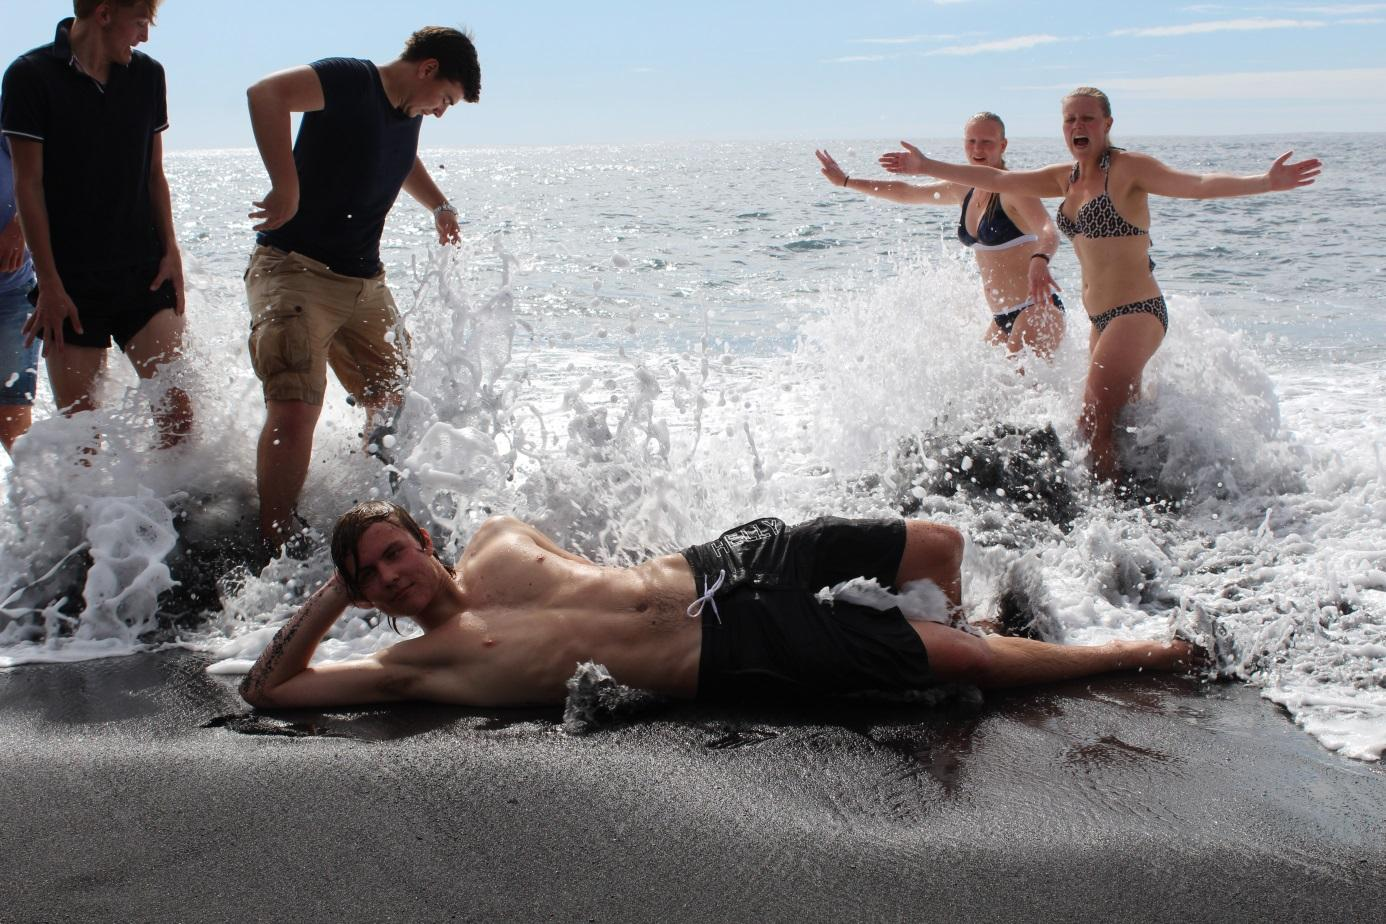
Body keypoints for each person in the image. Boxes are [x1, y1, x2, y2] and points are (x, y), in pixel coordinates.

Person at [239, 501, 1199, 710]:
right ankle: (1145, 654)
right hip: (738, 649)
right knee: (965, 667)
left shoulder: (497, 538)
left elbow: (595, 571)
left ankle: (966, 620)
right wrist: (329, 591)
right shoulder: (417, 665)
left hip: (721, 563)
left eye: (396, 550)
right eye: (372, 573)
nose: (394, 572)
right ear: (366, 593)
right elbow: (271, 694)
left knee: (939, 544)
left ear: (427, 543)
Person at [879, 88, 1320, 482]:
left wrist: (1265, 182)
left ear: (1107, 124)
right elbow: (995, 179)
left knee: (1091, 420)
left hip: (1138, 311)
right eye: (1070, 119)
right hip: (1101, 319)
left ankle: (1110, 516)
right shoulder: (1064, 178)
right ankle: (1159, 480)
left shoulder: (1129, 169)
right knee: (1123, 418)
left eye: (1088, 118)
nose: (1078, 126)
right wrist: (925, 166)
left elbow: (1198, 185)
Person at [244, 27, 480, 554]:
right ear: (426, 68)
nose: (442, 111)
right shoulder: (352, 80)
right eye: (445, 98)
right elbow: (266, 94)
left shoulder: (406, 115)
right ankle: (273, 540)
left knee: (395, 395)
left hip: (365, 283)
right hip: (295, 269)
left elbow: (399, 160)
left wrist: (438, 204)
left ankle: (371, 507)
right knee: (296, 407)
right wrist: (286, 183)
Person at [1, 0, 192, 455]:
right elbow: (29, 186)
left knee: (179, 415)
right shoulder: (29, 76)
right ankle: (98, 526)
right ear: (104, 14)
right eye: (140, 22)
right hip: (69, 286)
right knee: (81, 439)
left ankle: (177, 519)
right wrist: (48, 283)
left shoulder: (148, 75)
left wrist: (172, 252)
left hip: (144, 269)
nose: (144, 36)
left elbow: (154, 174)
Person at [816, 113, 1064, 358]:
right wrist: (846, 182)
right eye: (971, 141)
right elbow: (908, 193)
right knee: (980, 395)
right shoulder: (963, 189)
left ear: (1003, 145)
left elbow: (1047, 230)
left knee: (1016, 391)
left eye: (986, 141)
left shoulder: (1015, 188)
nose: (978, 148)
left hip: (1037, 311)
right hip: (1002, 318)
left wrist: (1040, 259)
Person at [0, 129, 41, 454]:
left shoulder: (6, 115)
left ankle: (31, 501)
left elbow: (44, 171)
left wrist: (19, 228)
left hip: (12, 292)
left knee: (11, 412)